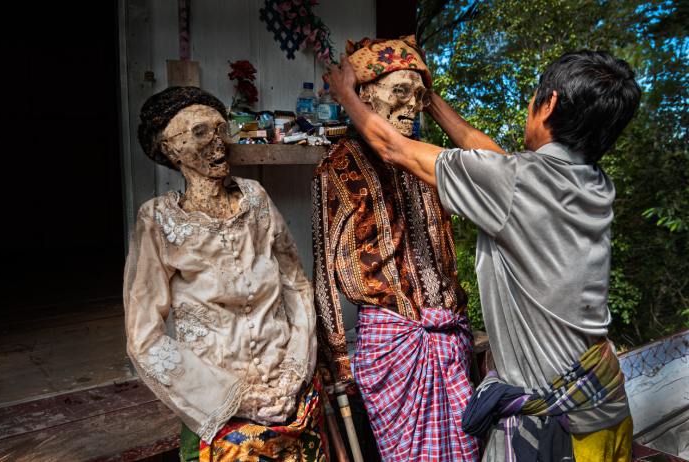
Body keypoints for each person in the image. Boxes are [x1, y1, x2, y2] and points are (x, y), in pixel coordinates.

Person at [326, 49, 641, 461]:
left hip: (560, 433)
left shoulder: (515, 184)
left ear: (549, 104)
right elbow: (494, 160)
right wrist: (430, 100)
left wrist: (345, 93)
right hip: (607, 408)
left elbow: (394, 148)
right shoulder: (591, 183)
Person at [125, 86, 326, 461]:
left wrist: (295, 371)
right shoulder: (157, 220)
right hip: (219, 406)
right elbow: (144, 338)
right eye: (201, 132)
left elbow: (296, 285)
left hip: (290, 392)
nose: (219, 142)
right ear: (169, 149)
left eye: (222, 129)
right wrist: (236, 398)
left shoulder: (256, 199)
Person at [313, 36, 478, 461]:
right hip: (394, 344)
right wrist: (336, 355)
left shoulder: (428, 161)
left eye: (420, 96)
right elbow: (324, 267)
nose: (412, 105)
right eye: (400, 91)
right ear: (366, 94)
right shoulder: (340, 162)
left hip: (449, 337)